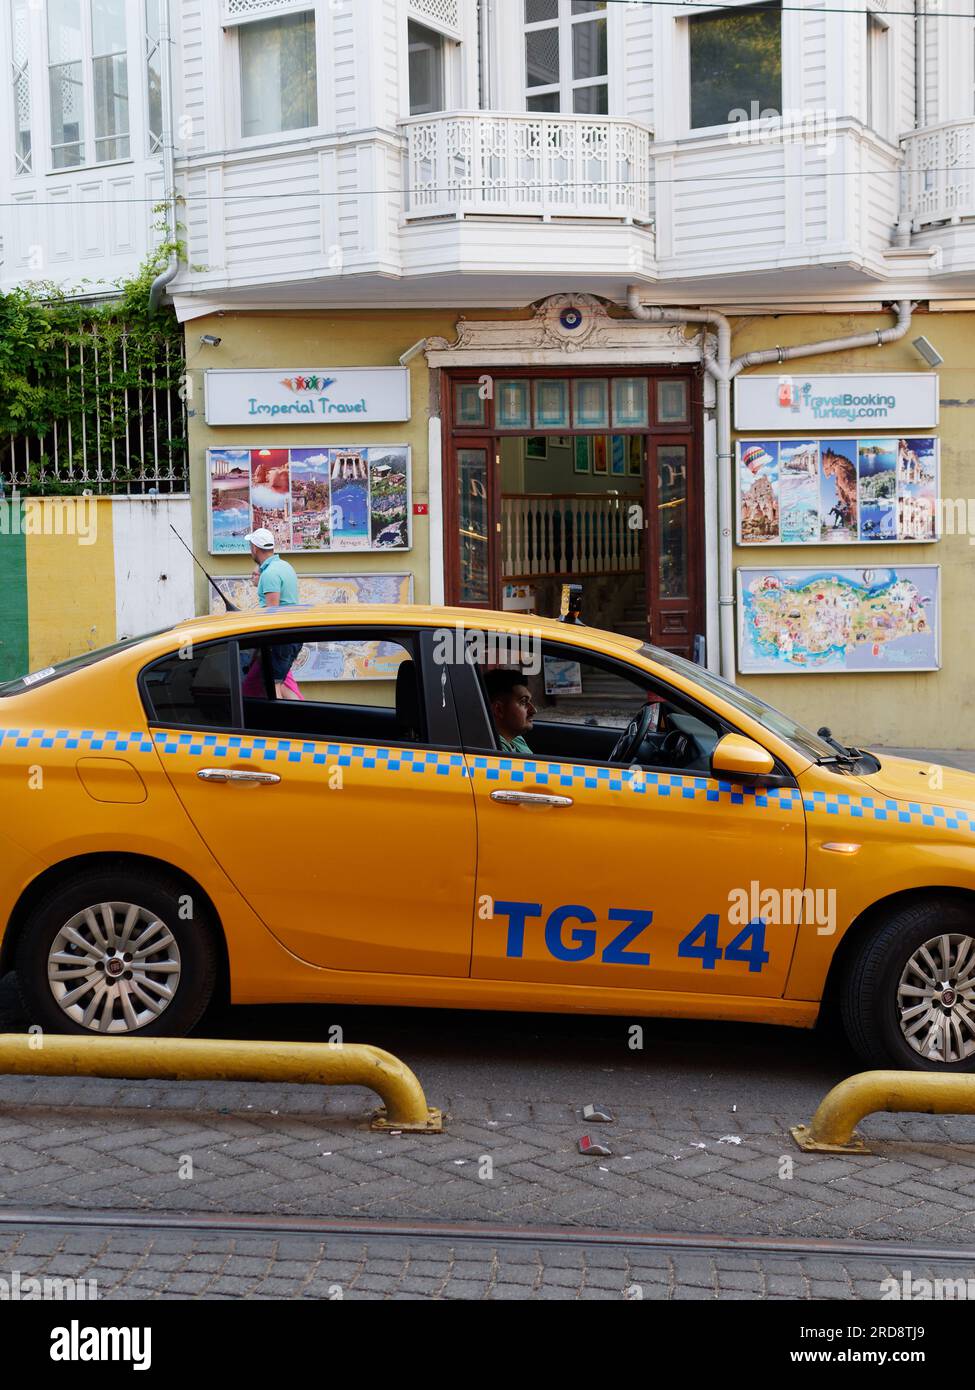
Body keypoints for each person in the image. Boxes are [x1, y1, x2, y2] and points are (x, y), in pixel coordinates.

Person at [244, 528, 302, 700]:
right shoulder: (285, 566)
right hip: (291, 635)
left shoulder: (269, 574)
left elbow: (272, 613)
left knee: (273, 685)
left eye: (250, 546)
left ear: (254, 548)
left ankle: (278, 723)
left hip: (279, 639)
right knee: (281, 682)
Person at [485, 668, 536, 754]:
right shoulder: (493, 749)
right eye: (523, 702)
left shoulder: (516, 739)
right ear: (498, 709)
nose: (534, 710)